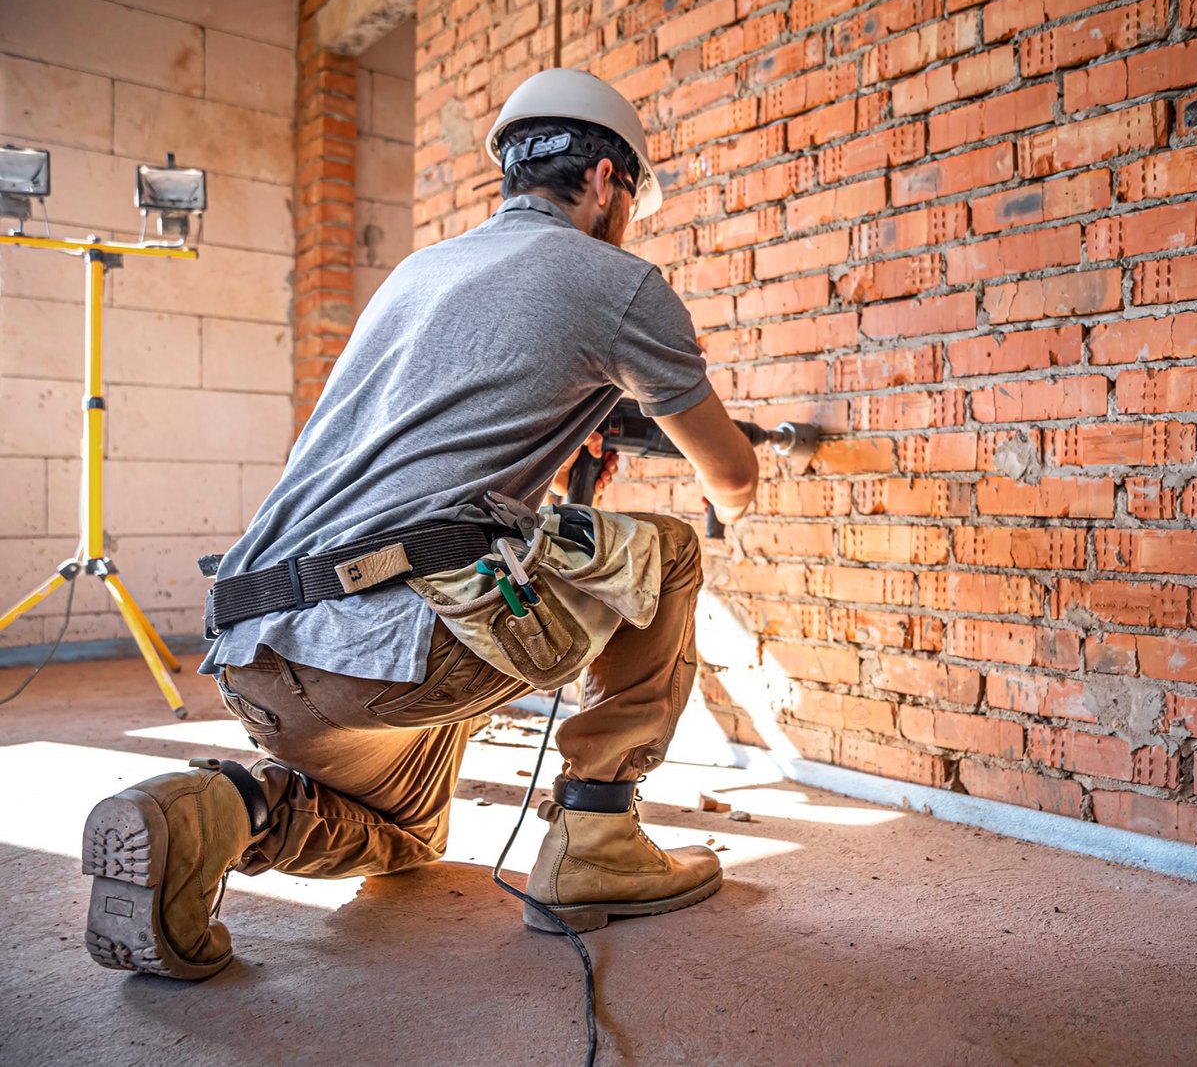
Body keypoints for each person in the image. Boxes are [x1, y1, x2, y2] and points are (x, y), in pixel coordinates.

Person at [80, 69, 760, 980]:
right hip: (395, 648)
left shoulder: (421, 270)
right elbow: (733, 476)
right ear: (606, 180)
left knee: (408, 832)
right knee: (666, 554)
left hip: (257, 651)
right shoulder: (619, 282)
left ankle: (218, 808)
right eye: (629, 196)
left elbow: (426, 456)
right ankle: (598, 831)